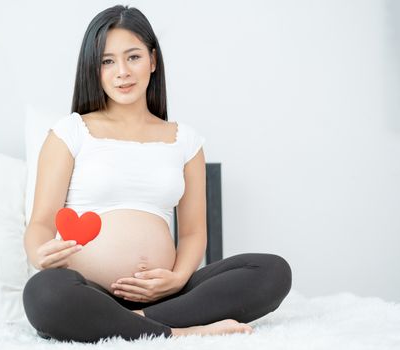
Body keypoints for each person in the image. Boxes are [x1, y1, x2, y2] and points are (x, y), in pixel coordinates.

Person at [22, 4, 292, 343]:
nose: (122, 71)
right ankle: (179, 331)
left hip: (167, 295)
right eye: (107, 61)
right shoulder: (70, 132)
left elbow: (193, 233)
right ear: (94, 69)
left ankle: (135, 323)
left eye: (132, 57)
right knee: (44, 294)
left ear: (152, 60)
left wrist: (178, 278)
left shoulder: (186, 140)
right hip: (88, 291)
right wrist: (38, 253)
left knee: (272, 272)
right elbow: (41, 223)